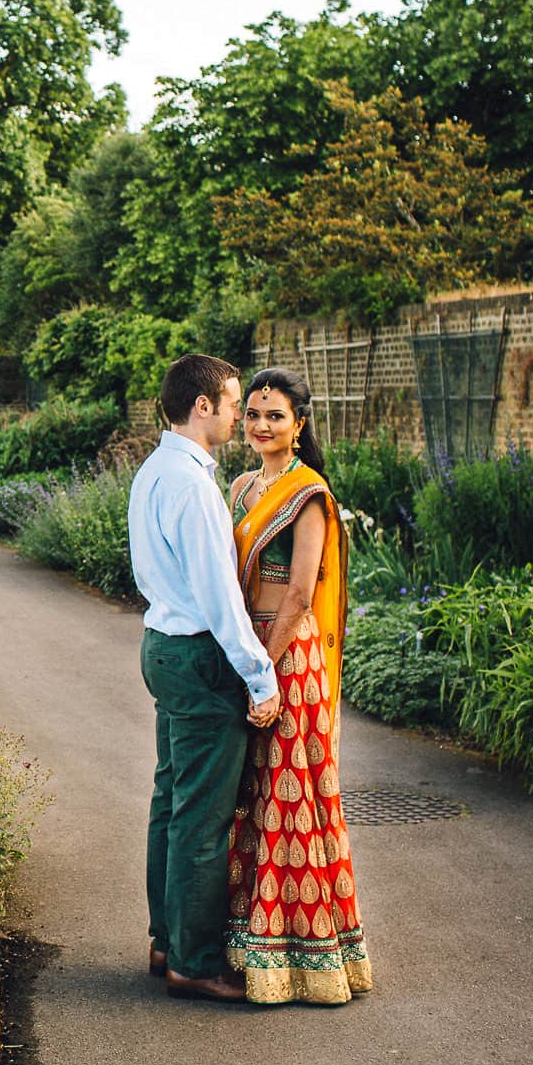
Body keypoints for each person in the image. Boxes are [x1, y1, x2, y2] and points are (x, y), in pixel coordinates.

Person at [130, 354, 279, 1004]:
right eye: (233, 402)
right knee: (202, 815)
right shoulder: (191, 484)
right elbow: (219, 596)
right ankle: (193, 959)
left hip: (162, 643)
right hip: (195, 653)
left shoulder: (154, 469)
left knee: (172, 799)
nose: (239, 414)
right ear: (202, 406)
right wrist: (260, 674)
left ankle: (167, 938)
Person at [222, 366, 373, 1005]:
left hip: (288, 655)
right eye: (254, 414)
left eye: (275, 416)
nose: (260, 425)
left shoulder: (310, 494)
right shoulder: (239, 487)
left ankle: (305, 962)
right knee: (251, 794)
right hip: (245, 648)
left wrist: (263, 668)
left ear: (299, 425)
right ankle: (248, 943)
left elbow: (301, 593)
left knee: (292, 800)